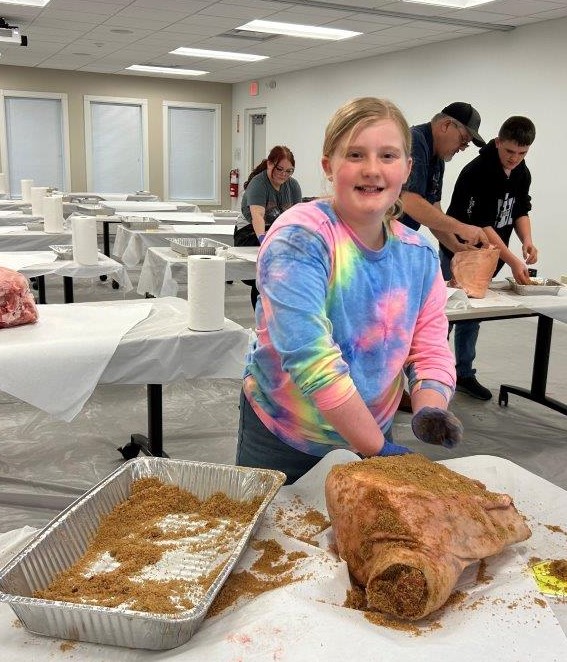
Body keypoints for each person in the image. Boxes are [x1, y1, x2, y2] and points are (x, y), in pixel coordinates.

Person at [236, 97, 463, 484]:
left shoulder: (419, 254)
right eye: (355, 154)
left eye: (388, 156)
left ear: (407, 168)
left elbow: (429, 345)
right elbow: (311, 359)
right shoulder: (301, 238)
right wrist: (378, 449)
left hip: (370, 429)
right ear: (329, 165)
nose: (372, 169)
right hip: (288, 439)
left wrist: (429, 403)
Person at [396, 101, 490, 412]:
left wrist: (458, 247)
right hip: (378, 241)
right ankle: (382, 391)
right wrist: (462, 226)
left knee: (404, 320)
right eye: (464, 139)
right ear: (446, 126)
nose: (464, 147)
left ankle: (396, 389)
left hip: (400, 244)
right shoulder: (414, 143)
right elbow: (409, 201)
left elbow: (433, 212)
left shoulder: (438, 158)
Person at [435, 116, 537, 400]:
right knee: (446, 315)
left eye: (522, 153)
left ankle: (464, 374)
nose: (515, 159)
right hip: (458, 253)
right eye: (509, 152)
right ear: (497, 142)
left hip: (490, 257)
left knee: (473, 317)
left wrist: (527, 241)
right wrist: (515, 260)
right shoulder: (477, 171)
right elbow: (482, 226)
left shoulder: (521, 171)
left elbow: (520, 209)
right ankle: (433, 375)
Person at [233, 146, 302, 309]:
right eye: (280, 169)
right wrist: (264, 242)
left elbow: (296, 217)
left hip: (276, 232)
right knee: (265, 271)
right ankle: (262, 316)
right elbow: (257, 216)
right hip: (249, 232)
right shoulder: (258, 183)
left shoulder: (293, 186)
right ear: (270, 164)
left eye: (289, 171)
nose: (284, 174)